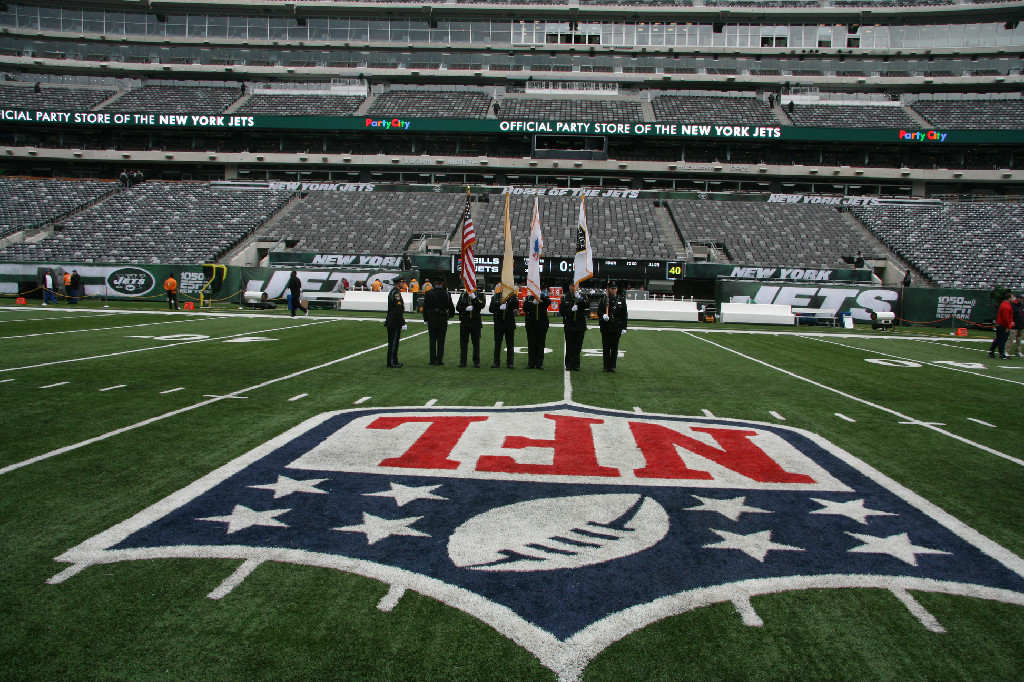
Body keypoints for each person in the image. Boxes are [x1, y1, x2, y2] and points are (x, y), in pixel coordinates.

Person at [422, 276, 455, 365]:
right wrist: (448, 316)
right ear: (442, 283)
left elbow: (425, 308)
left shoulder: (429, 293)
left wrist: (426, 319)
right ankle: (440, 360)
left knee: (432, 341)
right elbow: (452, 308)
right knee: (441, 341)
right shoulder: (447, 294)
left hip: (432, 318)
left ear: (434, 283)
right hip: (442, 319)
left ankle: (432, 360)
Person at [598, 282, 629, 372]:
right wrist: (603, 315)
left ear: (617, 289)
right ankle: (606, 366)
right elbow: (599, 311)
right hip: (606, 327)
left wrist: (624, 327)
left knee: (614, 348)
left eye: (615, 288)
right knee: (606, 348)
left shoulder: (621, 300)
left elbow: (624, 315)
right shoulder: (604, 299)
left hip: (616, 327)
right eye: (612, 288)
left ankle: (612, 366)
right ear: (609, 289)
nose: (613, 290)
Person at [561, 281, 589, 371]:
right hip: (569, 324)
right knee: (569, 345)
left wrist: (580, 299)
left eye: (575, 286)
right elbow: (561, 310)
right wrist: (571, 310)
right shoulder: (565, 297)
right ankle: (568, 364)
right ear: (569, 286)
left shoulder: (583, 296)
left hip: (580, 325)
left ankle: (576, 364)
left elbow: (587, 305)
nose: (573, 287)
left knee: (578, 346)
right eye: (572, 286)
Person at [489, 283, 518, 368]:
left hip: (509, 323)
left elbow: (516, 305)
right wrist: (499, 308)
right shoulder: (496, 297)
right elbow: (491, 309)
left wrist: (508, 299)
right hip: (499, 323)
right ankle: (496, 362)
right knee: (497, 344)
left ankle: (510, 362)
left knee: (510, 344)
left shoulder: (512, 296)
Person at [522, 288, 552, 369]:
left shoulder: (543, 297)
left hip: (542, 324)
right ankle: (531, 363)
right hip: (531, 324)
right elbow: (525, 308)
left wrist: (541, 297)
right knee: (531, 344)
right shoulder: (529, 298)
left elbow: (548, 302)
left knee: (540, 344)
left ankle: (539, 363)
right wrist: (533, 303)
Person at [456, 287, 486, 368]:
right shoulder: (463, 295)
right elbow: (458, 307)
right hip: (465, 322)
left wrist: (474, 298)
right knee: (463, 344)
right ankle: (463, 361)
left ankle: (476, 361)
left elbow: (481, 305)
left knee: (476, 343)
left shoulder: (480, 295)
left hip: (475, 323)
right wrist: (465, 309)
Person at [385, 276, 408, 368]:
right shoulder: (396, 293)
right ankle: (392, 362)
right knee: (393, 342)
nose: (404, 284)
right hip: (394, 320)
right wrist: (402, 322)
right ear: (399, 283)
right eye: (403, 282)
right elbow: (398, 309)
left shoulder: (394, 292)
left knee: (394, 342)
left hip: (392, 319)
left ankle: (394, 360)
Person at [988, 290, 1014, 360]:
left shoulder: (1003, 304)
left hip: (1000, 324)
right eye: (1012, 297)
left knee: (998, 339)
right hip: (1003, 325)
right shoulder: (1006, 306)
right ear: (1009, 298)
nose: (1013, 298)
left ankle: (991, 351)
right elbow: (1005, 317)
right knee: (1002, 340)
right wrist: (1008, 326)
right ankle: (1001, 354)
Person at [1009, 292, 1024, 358]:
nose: (1022, 299)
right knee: (1010, 339)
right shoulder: (1013, 305)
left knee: (1019, 340)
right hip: (1014, 325)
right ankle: (1006, 351)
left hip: (1021, 325)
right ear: (1017, 298)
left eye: (1023, 298)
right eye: (1021, 298)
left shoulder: (1022, 305)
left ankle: (1018, 351)